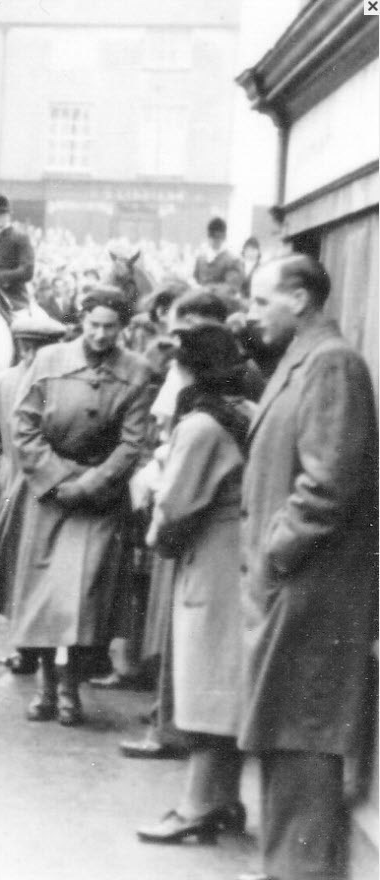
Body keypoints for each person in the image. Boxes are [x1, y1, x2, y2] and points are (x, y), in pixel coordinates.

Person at [237, 254, 377, 880]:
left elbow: (328, 483)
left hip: (313, 592)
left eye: (261, 300)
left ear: (298, 298)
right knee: (285, 735)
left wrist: (276, 547)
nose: (253, 311)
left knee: (302, 737)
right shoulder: (306, 360)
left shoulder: (332, 365)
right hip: (293, 588)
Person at [10, 286, 153, 726]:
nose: (101, 335)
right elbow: (24, 427)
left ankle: (71, 687)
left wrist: (91, 483)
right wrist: (57, 479)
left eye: (111, 327)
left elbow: (133, 443)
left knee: (85, 597)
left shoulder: (137, 372)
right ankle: (45, 688)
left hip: (99, 500)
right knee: (44, 596)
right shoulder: (49, 361)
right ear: (81, 321)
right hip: (49, 497)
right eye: (94, 325)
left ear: (123, 328)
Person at [135, 323, 254, 844]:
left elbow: (175, 504)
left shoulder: (200, 426)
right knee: (227, 679)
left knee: (204, 678)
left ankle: (196, 805)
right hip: (244, 555)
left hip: (211, 557)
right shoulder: (246, 412)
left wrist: (155, 525)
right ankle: (225, 798)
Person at [0, 313, 69, 660]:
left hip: (55, 491)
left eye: (43, 348)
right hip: (13, 492)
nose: (34, 355)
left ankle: (51, 650)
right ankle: (23, 648)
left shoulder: (67, 386)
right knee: (14, 570)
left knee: (51, 572)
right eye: (28, 347)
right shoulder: (1, 385)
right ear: (20, 347)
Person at [192, 217, 243, 301]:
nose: (215, 241)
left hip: (221, 305)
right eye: (212, 237)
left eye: (218, 238)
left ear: (223, 238)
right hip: (200, 303)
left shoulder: (233, 261)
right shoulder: (200, 259)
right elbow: (196, 279)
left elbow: (231, 287)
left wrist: (208, 290)